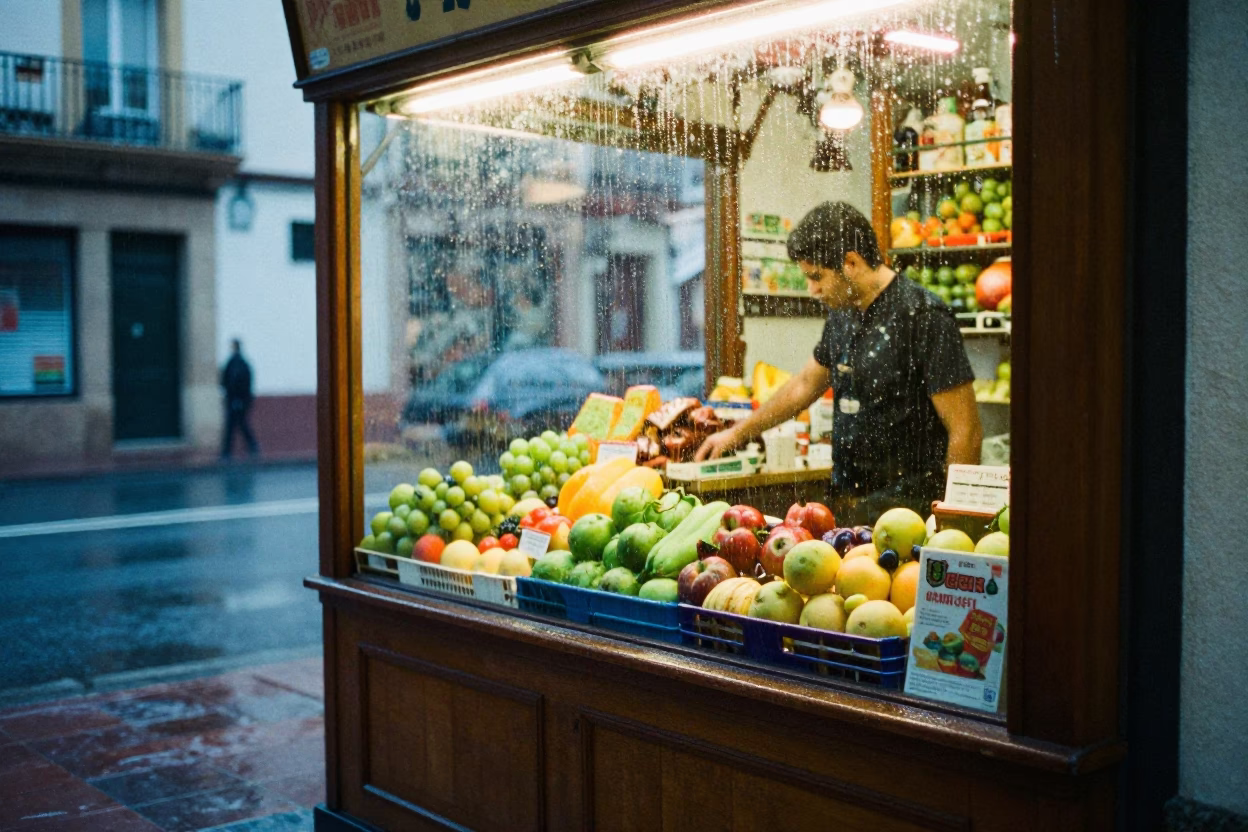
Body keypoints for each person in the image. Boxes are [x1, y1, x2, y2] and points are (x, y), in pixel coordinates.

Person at [696, 202, 982, 524]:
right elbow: (804, 385)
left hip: (910, 514)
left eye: (817, 277)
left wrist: (953, 523)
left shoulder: (925, 316)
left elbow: (966, 431)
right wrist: (736, 435)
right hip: (848, 505)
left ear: (851, 262)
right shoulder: (843, 314)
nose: (812, 289)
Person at [220, 338, 259, 459]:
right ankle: (251, 445)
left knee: (235, 425)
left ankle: (228, 451)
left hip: (237, 400)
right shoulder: (236, 363)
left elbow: (240, 383)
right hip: (235, 399)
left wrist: (239, 399)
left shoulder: (239, 364)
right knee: (239, 424)